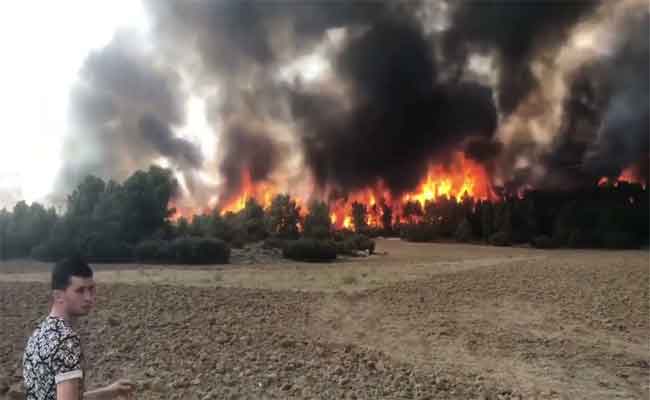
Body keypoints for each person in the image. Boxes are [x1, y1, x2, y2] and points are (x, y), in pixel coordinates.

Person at [23, 256, 135, 399]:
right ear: (58, 296)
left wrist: (109, 391)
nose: (89, 297)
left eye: (91, 289)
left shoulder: (38, 334)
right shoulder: (66, 340)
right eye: (80, 290)